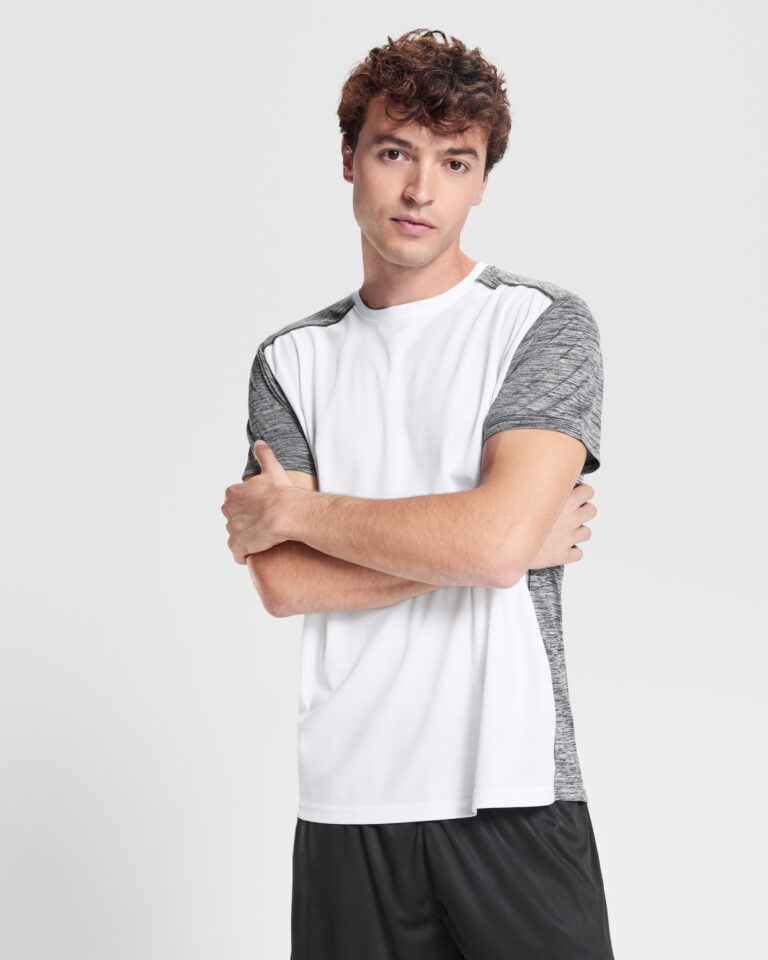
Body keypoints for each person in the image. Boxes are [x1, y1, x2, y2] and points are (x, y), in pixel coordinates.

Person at [221, 27, 615, 960]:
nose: (421, 190)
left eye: (455, 162)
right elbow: (285, 584)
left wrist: (299, 513)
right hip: (348, 801)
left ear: (482, 182)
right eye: (395, 152)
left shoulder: (541, 326)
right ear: (349, 158)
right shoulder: (291, 360)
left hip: (512, 790)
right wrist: (492, 547)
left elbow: (492, 543)